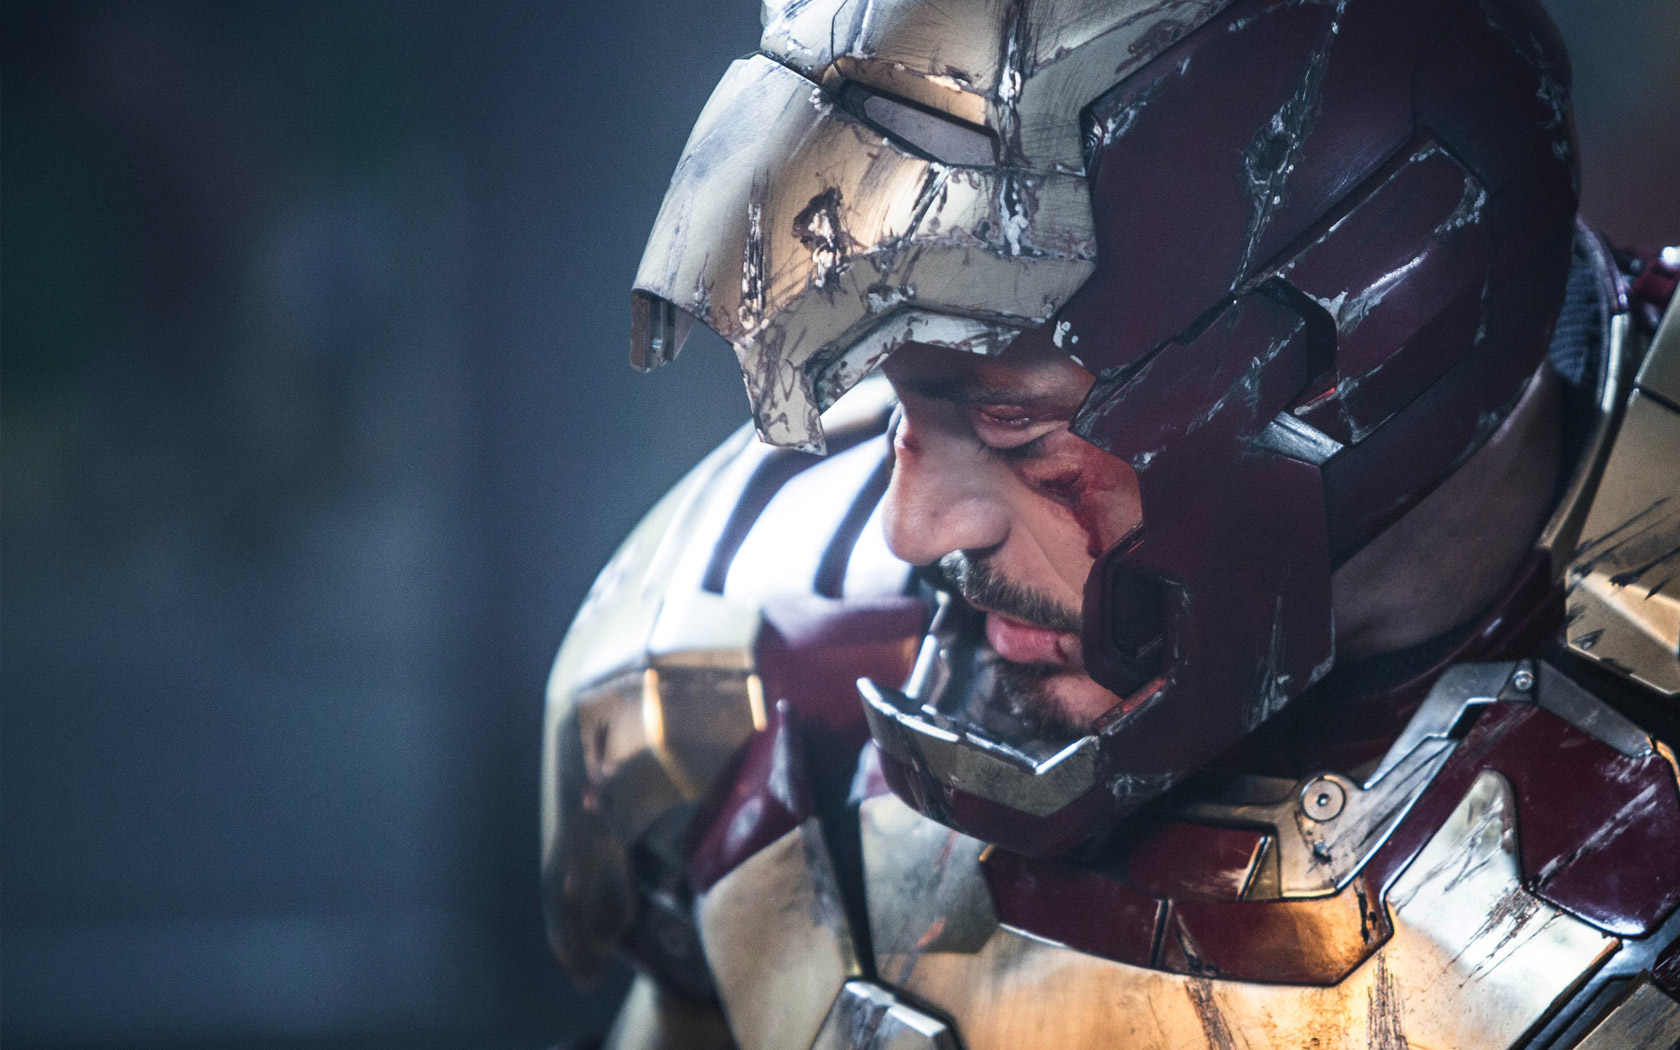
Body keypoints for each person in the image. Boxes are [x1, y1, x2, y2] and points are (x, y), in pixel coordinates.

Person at [542, 0, 1680, 1046]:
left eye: (1013, 427)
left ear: (1361, 348)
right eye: (898, 395)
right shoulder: (768, 679)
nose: (911, 529)